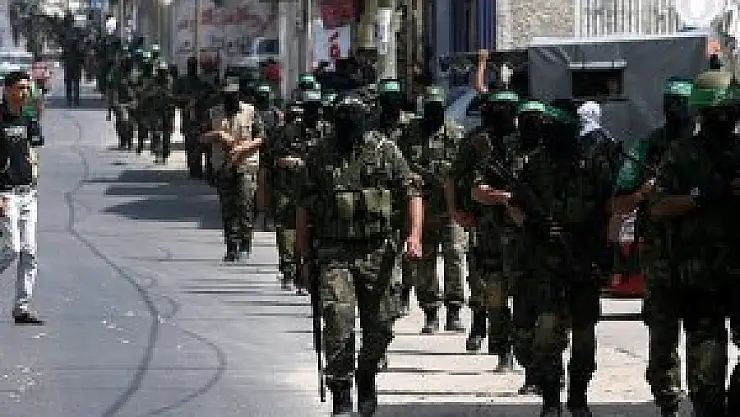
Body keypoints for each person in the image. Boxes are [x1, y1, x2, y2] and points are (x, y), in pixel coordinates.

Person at [296, 95, 422, 416]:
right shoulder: (319, 154)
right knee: (337, 318)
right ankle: (341, 390)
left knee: (381, 325)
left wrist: (414, 236)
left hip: (378, 250)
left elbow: (411, 192)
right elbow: (303, 209)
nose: (348, 123)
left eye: (354, 116)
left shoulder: (385, 151)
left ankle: (367, 375)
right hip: (334, 252)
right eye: (343, 116)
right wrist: (303, 259)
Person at [649, 69, 740, 417]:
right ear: (703, 113)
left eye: (731, 111)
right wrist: (701, 196)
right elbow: (658, 207)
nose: (726, 119)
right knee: (707, 371)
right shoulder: (681, 155)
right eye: (720, 112)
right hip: (700, 277)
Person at [610, 78, 695, 417]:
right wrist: (643, 192)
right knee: (662, 334)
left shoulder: (713, 148)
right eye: (670, 103)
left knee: (706, 337)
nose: (676, 110)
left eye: (682, 103)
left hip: (707, 257)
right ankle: (668, 399)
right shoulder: (645, 149)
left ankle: (705, 395)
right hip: (660, 258)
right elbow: (619, 204)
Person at [0, 71, 44, 325]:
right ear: (7, 90)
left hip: (27, 193)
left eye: (27, 88)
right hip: (6, 194)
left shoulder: (29, 120)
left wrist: (34, 180)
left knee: (29, 252)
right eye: (19, 88)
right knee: (11, 249)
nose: (24, 93)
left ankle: (22, 308)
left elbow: (34, 150)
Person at [202, 82, 264, 262]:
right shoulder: (214, 113)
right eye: (227, 97)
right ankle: (231, 247)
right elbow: (201, 137)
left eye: (234, 97)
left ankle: (245, 244)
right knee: (228, 208)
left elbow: (261, 137)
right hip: (224, 166)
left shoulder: (250, 112)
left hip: (246, 164)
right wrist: (218, 135)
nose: (231, 101)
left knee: (245, 204)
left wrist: (244, 147)